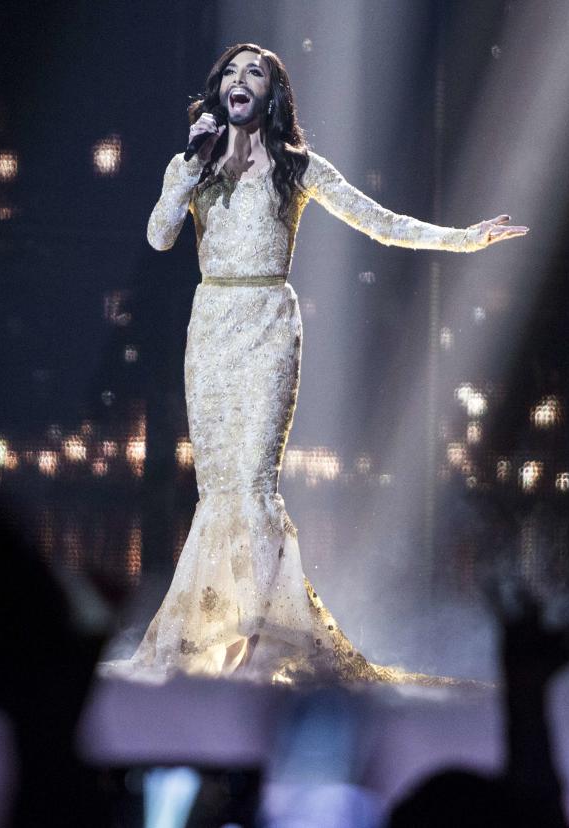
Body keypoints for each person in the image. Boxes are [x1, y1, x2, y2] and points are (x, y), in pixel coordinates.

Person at [113, 43, 527, 684]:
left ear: (272, 95)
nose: (240, 79)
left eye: (255, 72)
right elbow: (159, 236)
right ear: (219, 89)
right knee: (218, 489)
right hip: (212, 328)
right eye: (232, 71)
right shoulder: (191, 165)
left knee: (253, 484)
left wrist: (466, 238)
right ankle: (216, 631)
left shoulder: (297, 168)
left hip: (270, 325)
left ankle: (257, 638)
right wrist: (188, 168)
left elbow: (380, 223)